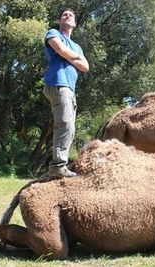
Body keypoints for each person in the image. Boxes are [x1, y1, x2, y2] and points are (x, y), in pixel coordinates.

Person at [42, 8, 89, 179]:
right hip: (57, 83)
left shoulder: (77, 46)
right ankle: (57, 166)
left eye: (70, 15)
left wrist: (69, 56)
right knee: (66, 124)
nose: (67, 16)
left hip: (70, 88)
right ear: (60, 20)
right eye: (64, 15)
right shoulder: (53, 33)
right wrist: (74, 58)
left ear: (74, 23)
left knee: (70, 127)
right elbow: (60, 49)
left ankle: (59, 165)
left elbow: (86, 67)